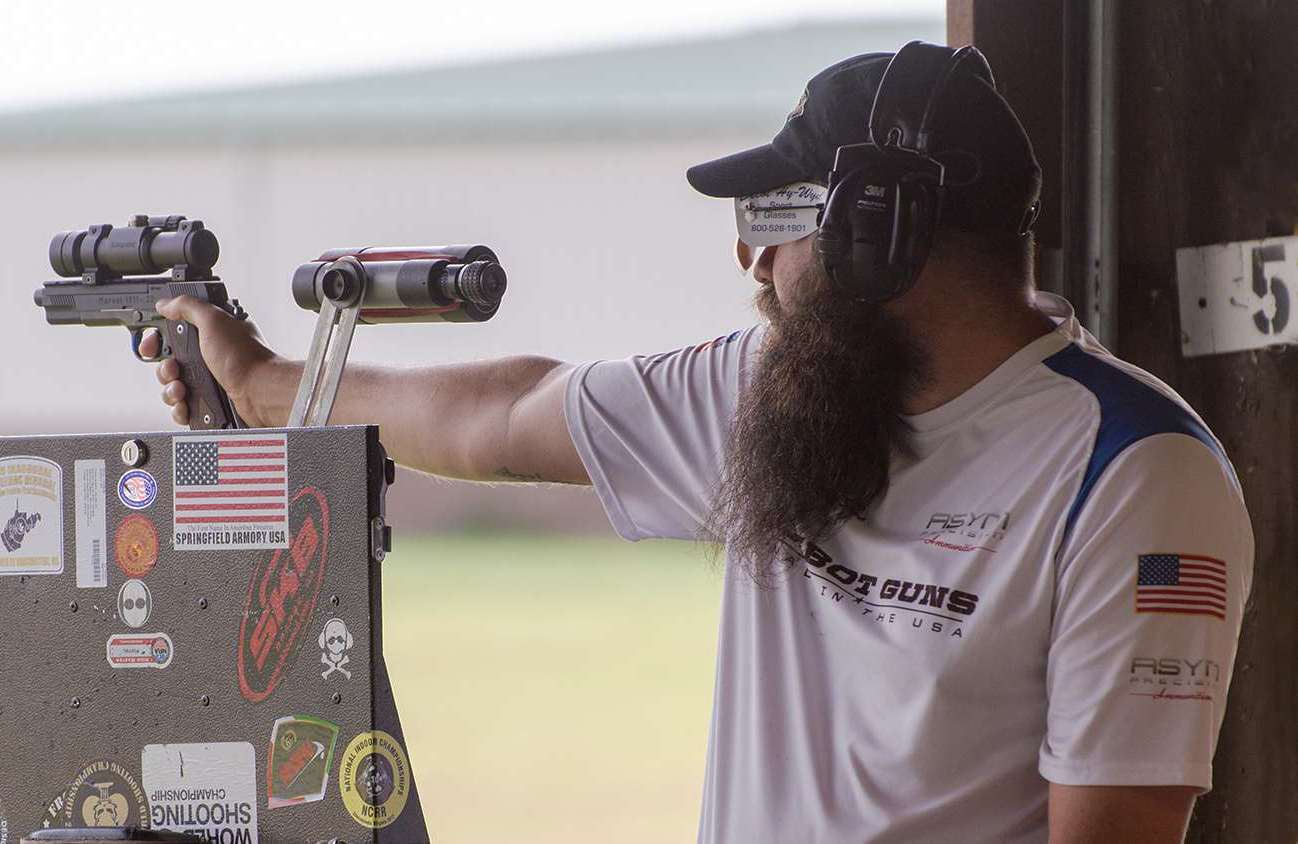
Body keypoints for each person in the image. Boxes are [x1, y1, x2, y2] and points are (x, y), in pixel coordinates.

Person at [139, 44, 1252, 843]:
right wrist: (268, 380)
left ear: (879, 229)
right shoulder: (772, 389)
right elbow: (506, 417)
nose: (751, 265)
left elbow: (1117, 828)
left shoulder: (1135, 473)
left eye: (775, 223)